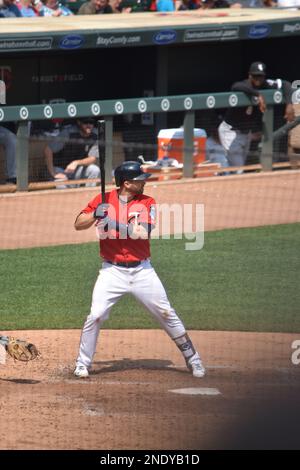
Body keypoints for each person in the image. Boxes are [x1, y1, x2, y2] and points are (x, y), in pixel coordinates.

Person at [73, 161, 205, 379]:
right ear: (127, 183)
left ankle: (194, 359)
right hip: (111, 272)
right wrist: (96, 213)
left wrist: (113, 222)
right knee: (95, 316)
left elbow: (143, 233)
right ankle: (82, 363)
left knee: (166, 314)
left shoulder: (147, 202)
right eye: (139, 180)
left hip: (142, 271)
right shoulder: (103, 200)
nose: (144, 183)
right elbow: (78, 224)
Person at [218, 61, 295, 168]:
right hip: (230, 132)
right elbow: (235, 86)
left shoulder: (266, 84)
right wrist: (257, 94)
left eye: (260, 76)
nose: (258, 79)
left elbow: (286, 84)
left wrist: (289, 104)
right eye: (255, 76)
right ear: (250, 75)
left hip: (246, 133)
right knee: (238, 168)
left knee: (237, 167)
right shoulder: (245, 85)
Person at [44, 117, 100, 187]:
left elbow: (92, 158)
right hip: (60, 169)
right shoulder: (69, 133)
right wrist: (53, 173)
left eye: (91, 123)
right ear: (79, 122)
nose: (89, 125)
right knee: (61, 183)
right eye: (85, 122)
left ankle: (89, 195)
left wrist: (76, 163)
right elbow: (48, 149)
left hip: (76, 170)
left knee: (95, 170)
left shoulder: (95, 134)